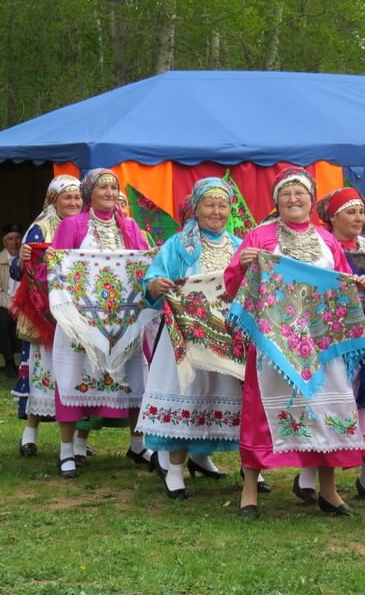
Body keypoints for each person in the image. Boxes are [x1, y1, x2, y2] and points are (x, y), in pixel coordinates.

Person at [224, 167, 365, 518]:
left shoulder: (326, 239)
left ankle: (329, 492)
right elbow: (232, 287)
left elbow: (340, 276)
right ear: (276, 201)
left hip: (321, 343)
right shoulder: (259, 237)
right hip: (274, 343)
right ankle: (249, 492)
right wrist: (243, 266)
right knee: (263, 413)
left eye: (300, 193)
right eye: (286, 193)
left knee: (325, 410)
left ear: (311, 200)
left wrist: (354, 284)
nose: (294, 199)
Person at [138, 178, 243, 499]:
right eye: (209, 204)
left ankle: (202, 456)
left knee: (218, 396)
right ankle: (173, 468)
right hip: (184, 337)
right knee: (188, 394)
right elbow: (155, 275)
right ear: (195, 208)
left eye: (222, 205)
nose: (216, 211)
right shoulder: (178, 245)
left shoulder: (239, 246)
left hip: (225, 339)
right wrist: (155, 285)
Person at [50, 168, 151, 478]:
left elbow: (145, 264)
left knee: (135, 378)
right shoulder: (72, 225)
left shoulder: (131, 227)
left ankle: (137, 444)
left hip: (124, 322)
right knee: (72, 377)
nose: (109, 192)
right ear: (88, 193)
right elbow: (58, 261)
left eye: (113, 187)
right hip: (81, 320)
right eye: (102, 187)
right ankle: (67, 450)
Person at [316, 187, 365, 504]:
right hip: (337, 340)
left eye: (361, 212)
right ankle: (309, 478)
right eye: (351, 212)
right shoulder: (323, 247)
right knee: (332, 403)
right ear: (333, 218)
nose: (359, 218)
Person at [10, 175, 83, 457]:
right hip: (44, 314)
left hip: (74, 313)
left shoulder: (85, 227)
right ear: (54, 200)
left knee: (74, 374)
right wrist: (24, 258)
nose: (74, 202)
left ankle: (76, 442)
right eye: (68, 197)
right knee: (43, 373)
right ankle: (30, 434)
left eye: (78, 197)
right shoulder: (39, 229)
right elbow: (17, 272)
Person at [0, 223, 23, 378]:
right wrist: (13, 306)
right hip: (4, 304)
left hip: (25, 304)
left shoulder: (27, 260)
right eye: (10, 239)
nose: (15, 242)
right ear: (4, 242)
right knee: (3, 318)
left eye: (17, 238)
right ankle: (9, 362)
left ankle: (26, 363)